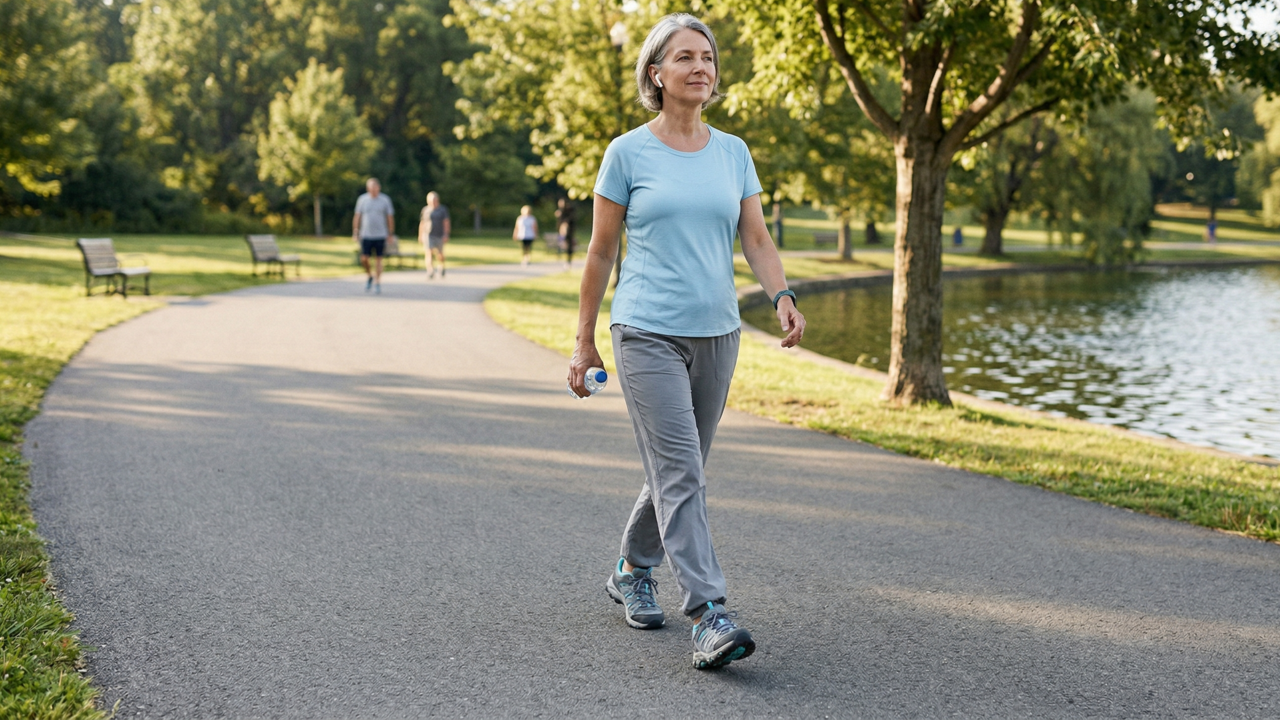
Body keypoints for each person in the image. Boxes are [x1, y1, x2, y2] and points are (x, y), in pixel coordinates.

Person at [567, 13, 805, 671]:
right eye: (685, 57)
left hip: (718, 332)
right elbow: (599, 252)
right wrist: (583, 343)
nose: (701, 67)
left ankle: (632, 568)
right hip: (644, 331)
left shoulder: (733, 151)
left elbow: (755, 237)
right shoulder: (627, 152)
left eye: (708, 57)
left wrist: (782, 294)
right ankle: (708, 614)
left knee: (683, 470)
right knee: (680, 471)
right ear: (656, 73)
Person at [353, 178, 395, 294]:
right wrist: (356, 231)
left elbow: (390, 217)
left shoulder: (385, 200)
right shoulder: (362, 200)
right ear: (368, 188)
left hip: (381, 234)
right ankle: (369, 275)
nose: (373, 190)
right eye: (371, 188)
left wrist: (390, 233)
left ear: (379, 188)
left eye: (375, 188)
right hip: (366, 234)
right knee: (364, 258)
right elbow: (357, 216)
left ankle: (377, 282)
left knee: (378, 259)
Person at [419, 191, 450, 279]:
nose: (432, 202)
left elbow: (446, 222)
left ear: (437, 200)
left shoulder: (443, 210)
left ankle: (441, 267)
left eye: (434, 200)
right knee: (429, 252)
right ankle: (430, 271)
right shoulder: (425, 210)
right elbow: (422, 223)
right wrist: (420, 235)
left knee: (440, 254)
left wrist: (446, 234)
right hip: (428, 234)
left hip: (439, 234)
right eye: (430, 200)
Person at [556, 198, 577, 268]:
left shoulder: (569, 210)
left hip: (568, 232)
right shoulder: (561, 211)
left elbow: (570, 220)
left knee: (569, 246)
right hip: (562, 232)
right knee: (563, 244)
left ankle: (568, 261)